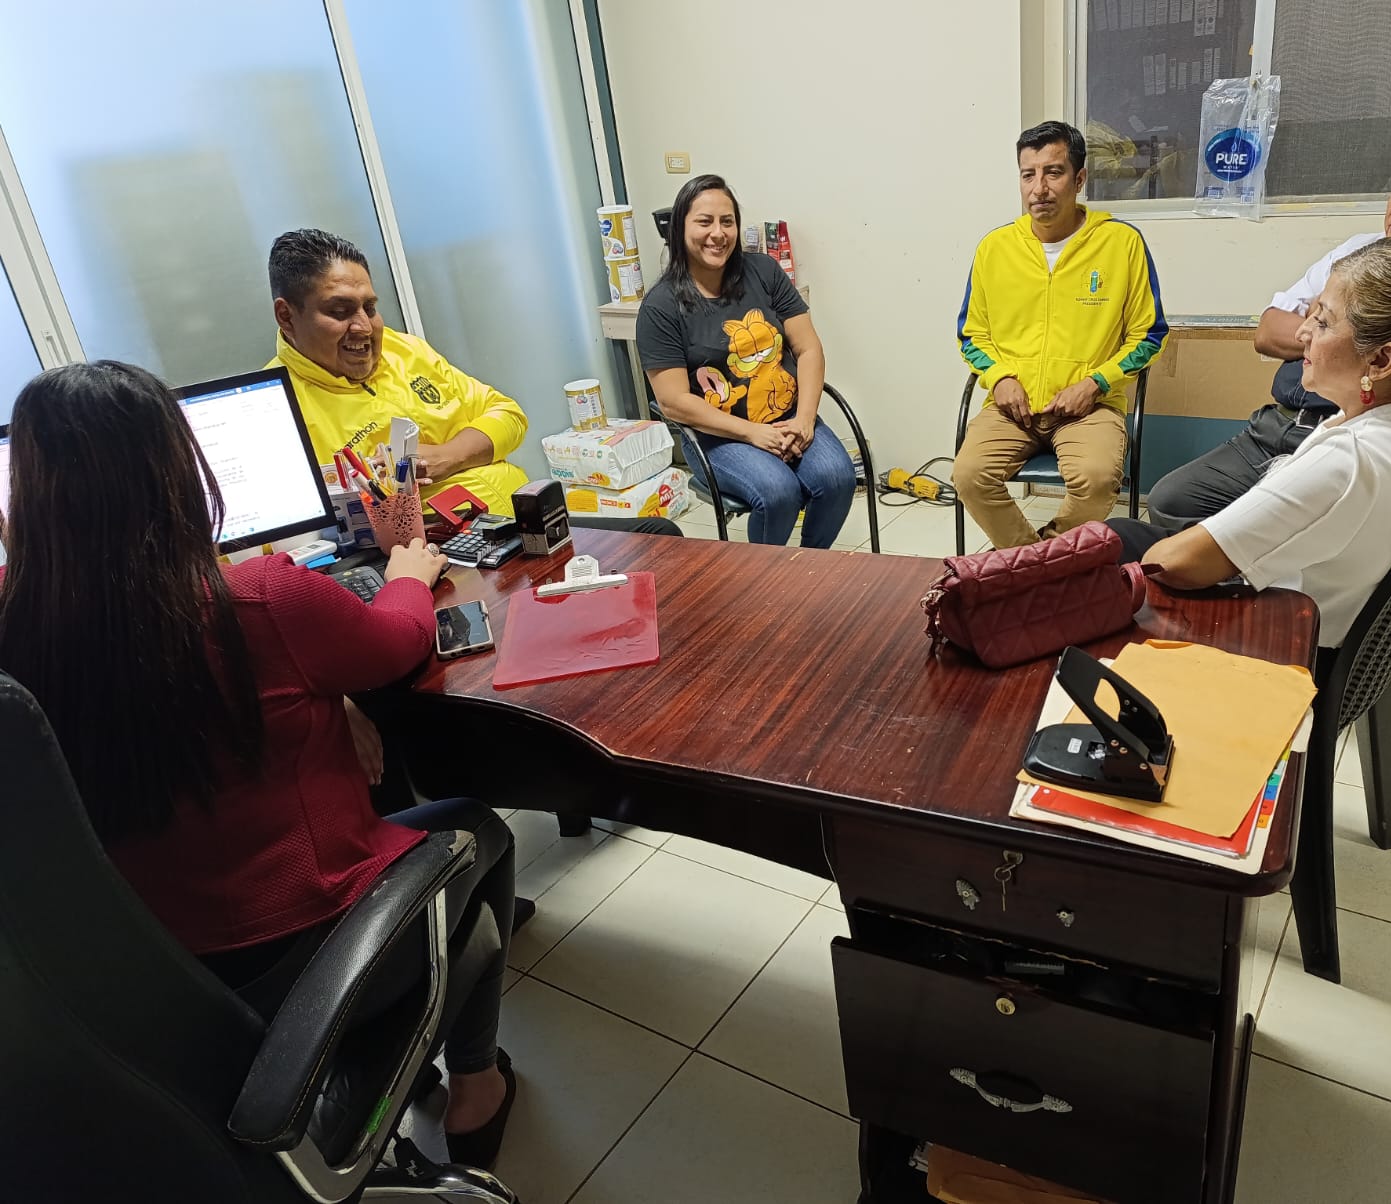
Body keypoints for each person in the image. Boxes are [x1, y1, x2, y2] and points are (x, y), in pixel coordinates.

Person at [0, 362, 519, 1169]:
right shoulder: (262, 599)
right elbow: (398, 643)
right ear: (177, 473)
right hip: (301, 960)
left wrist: (329, 698)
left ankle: (404, 1059)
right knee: (479, 830)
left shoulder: (17, 624)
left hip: (148, 979)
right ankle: (476, 1085)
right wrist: (406, 577)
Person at [1107, 237, 1391, 649]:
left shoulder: (1349, 459)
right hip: (1332, 612)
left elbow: (1174, 565)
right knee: (1123, 533)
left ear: (1381, 360)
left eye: (1323, 322)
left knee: (1110, 555)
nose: (1303, 331)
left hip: (1282, 634)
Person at [1145, 128, 1391, 531]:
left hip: (1355, 434)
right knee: (1171, 500)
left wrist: (1323, 319)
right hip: (1281, 423)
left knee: (1240, 535)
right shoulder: (1360, 248)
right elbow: (1268, 331)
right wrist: (1339, 330)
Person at [267, 228, 680, 535]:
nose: (364, 327)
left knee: (660, 536)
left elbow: (508, 415)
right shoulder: (274, 409)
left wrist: (448, 456)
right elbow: (303, 543)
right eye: (340, 311)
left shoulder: (403, 349)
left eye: (370, 308)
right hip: (448, 548)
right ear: (287, 316)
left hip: (521, 516)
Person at [952, 120, 1168, 549]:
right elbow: (971, 335)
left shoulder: (1121, 243)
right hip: (1012, 406)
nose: (1039, 189)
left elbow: (1149, 335)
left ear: (1079, 178)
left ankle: (1041, 559)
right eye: (1028, 175)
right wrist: (1000, 378)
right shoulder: (995, 248)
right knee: (969, 475)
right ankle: (1040, 562)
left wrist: (1096, 383)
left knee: (1097, 478)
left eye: (1053, 172)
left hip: (1090, 406)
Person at [636, 175, 857, 548]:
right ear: (679, 228)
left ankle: (810, 566)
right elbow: (673, 401)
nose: (718, 233)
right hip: (717, 435)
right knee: (778, 492)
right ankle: (763, 578)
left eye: (727, 221)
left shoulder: (763, 272)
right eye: (704, 222)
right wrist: (753, 433)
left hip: (786, 416)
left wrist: (804, 421)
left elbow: (808, 348)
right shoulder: (660, 307)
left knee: (838, 477)